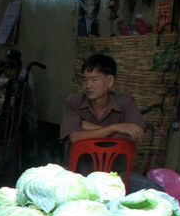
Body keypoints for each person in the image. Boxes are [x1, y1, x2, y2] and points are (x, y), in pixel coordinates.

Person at [61, 53, 159, 191]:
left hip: (117, 176)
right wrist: (115, 128)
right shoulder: (73, 102)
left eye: (94, 80)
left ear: (110, 81)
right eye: (85, 80)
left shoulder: (125, 102)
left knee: (158, 192)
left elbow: (136, 134)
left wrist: (88, 128)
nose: (88, 85)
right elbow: (75, 137)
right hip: (79, 175)